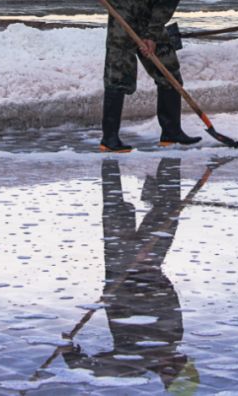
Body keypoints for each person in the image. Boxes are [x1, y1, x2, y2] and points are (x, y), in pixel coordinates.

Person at [62, 0, 205, 152]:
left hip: (150, 20)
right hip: (122, 14)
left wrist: (152, 34)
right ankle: (110, 139)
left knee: (169, 70)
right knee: (119, 74)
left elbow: (167, 2)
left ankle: (171, 132)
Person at [63, 158, 198, 391]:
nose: (183, 358)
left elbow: (100, 369)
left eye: (181, 365)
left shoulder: (139, 361)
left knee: (119, 206)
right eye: (185, 362)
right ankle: (167, 155)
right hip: (147, 263)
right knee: (165, 208)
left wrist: (72, 357)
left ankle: (114, 156)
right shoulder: (171, 341)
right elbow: (168, 299)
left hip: (124, 270)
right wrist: (152, 273)